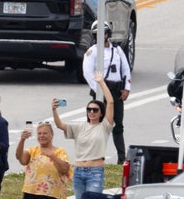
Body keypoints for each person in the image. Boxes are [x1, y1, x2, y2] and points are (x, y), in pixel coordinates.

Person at [52, 72, 113, 199]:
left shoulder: (104, 126)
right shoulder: (80, 126)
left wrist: (101, 82)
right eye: (89, 109)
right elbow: (60, 125)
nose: (91, 112)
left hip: (95, 172)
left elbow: (110, 102)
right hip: (78, 171)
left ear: (101, 113)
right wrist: (54, 110)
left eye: (95, 110)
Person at [81, 22, 131, 163]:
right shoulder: (92, 52)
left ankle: (121, 158)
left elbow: (126, 69)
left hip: (116, 91)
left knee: (118, 125)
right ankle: (93, 156)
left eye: (104, 33)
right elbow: (87, 73)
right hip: (101, 90)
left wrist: (126, 88)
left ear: (108, 34)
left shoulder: (117, 50)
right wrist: (99, 91)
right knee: (96, 125)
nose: (101, 36)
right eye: (97, 34)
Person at [15, 122, 71, 199]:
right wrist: (22, 140)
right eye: (39, 133)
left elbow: (64, 170)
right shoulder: (32, 150)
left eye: (45, 133)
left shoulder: (60, 152)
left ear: (52, 135)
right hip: (31, 193)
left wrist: (53, 156)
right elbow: (20, 158)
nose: (42, 136)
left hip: (52, 194)